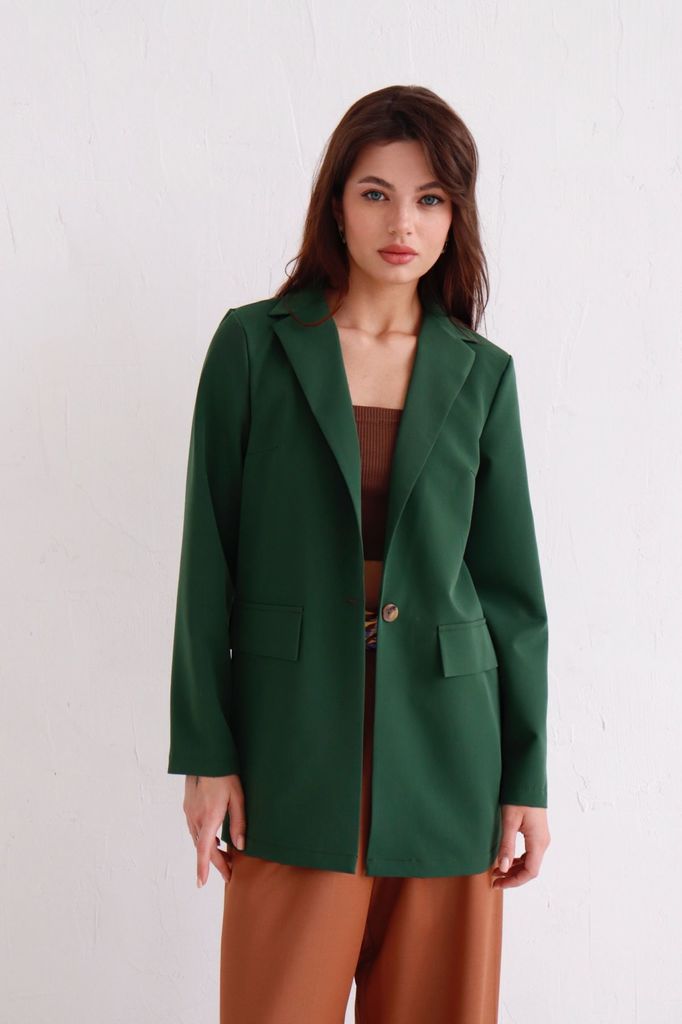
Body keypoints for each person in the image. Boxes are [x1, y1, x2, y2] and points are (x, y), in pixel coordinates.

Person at [168, 84, 551, 1023]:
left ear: (454, 216)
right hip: (292, 750)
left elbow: (511, 593)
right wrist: (207, 753)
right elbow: (207, 561)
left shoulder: (482, 375)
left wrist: (525, 777)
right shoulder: (254, 347)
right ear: (336, 202)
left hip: (450, 758)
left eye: (429, 199)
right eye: (376, 193)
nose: (401, 223)